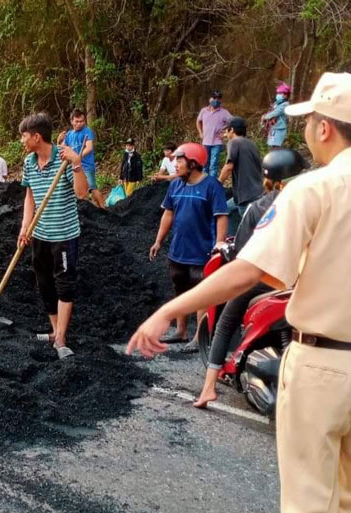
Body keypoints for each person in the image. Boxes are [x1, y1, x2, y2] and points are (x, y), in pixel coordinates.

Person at [126, 72, 351, 513]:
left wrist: (169, 309)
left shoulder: (315, 190)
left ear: (324, 128)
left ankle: (212, 372)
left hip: (323, 368)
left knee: (312, 499)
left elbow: (246, 271)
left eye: (308, 121)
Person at [193, 149, 308, 408]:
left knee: (224, 323)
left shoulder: (259, 207)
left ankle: (209, 388)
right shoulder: (314, 200)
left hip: (267, 278)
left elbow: (242, 254)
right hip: (304, 278)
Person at [18, 113, 89, 359]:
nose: (22, 141)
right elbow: (30, 196)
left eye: (24, 136)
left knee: (64, 285)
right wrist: (25, 227)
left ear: (37, 137)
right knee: (44, 283)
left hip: (64, 236)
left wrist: (77, 162)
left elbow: (82, 194)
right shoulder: (29, 162)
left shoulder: (64, 159)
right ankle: (54, 329)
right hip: (40, 234)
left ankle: (61, 338)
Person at [149, 142, 228, 352]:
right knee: (181, 289)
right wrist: (158, 241)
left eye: (179, 160)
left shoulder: (212, 186)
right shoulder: (175, 185)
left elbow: (221, 216)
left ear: (193, 163)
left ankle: (198, 338)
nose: (175, 164)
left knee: (201, 293)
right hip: (178, 250)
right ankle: (181, 331)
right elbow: (168, 213)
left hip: (202, 252)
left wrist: (219, 244)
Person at [218, 116, 264, 233]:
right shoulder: (251, 144)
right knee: (224, 209)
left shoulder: (234, 142)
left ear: (231, 130)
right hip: (257, 191)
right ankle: (228, 237)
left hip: (246, 195)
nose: (225, 134)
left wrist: (217, 184)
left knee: (249, 230)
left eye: (226, 130)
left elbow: (229, 166)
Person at [57, 109, 105, 208]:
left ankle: (104, 208)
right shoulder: (69, 135)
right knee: (80, 191)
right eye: (77, 121)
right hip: (75, 168)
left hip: (86, 166)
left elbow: (89, 147)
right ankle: (87, 211)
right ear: (72, 121)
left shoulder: (87, 131)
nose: (79, 124)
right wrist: (58, 141)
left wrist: (77, 157)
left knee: (92, 188)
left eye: (82, 121)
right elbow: (62, 149)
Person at [196, 90, 232, 178]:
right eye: (214, 98)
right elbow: (198, 121)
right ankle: (204, 181)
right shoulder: (204, 111)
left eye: (218, 98)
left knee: (214, 165)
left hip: (217, 142)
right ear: (210, 99)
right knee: (204, 164)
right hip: (205, 141)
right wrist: (200, 132)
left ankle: (212, 183)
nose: (216, 100)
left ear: (220, 100)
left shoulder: (224, 112)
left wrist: (224, 133)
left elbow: (233, 121)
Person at [262, 82, 291, 149]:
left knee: (276, 147)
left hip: (280, 129)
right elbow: (271, 111)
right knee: (272, 146)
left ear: (286, 95)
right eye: (278, 93)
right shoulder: (277, 103)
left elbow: (275, 113)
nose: (278, 95)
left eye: (280, 93)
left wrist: (265, 117)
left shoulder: (285, 105)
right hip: (274, 128)